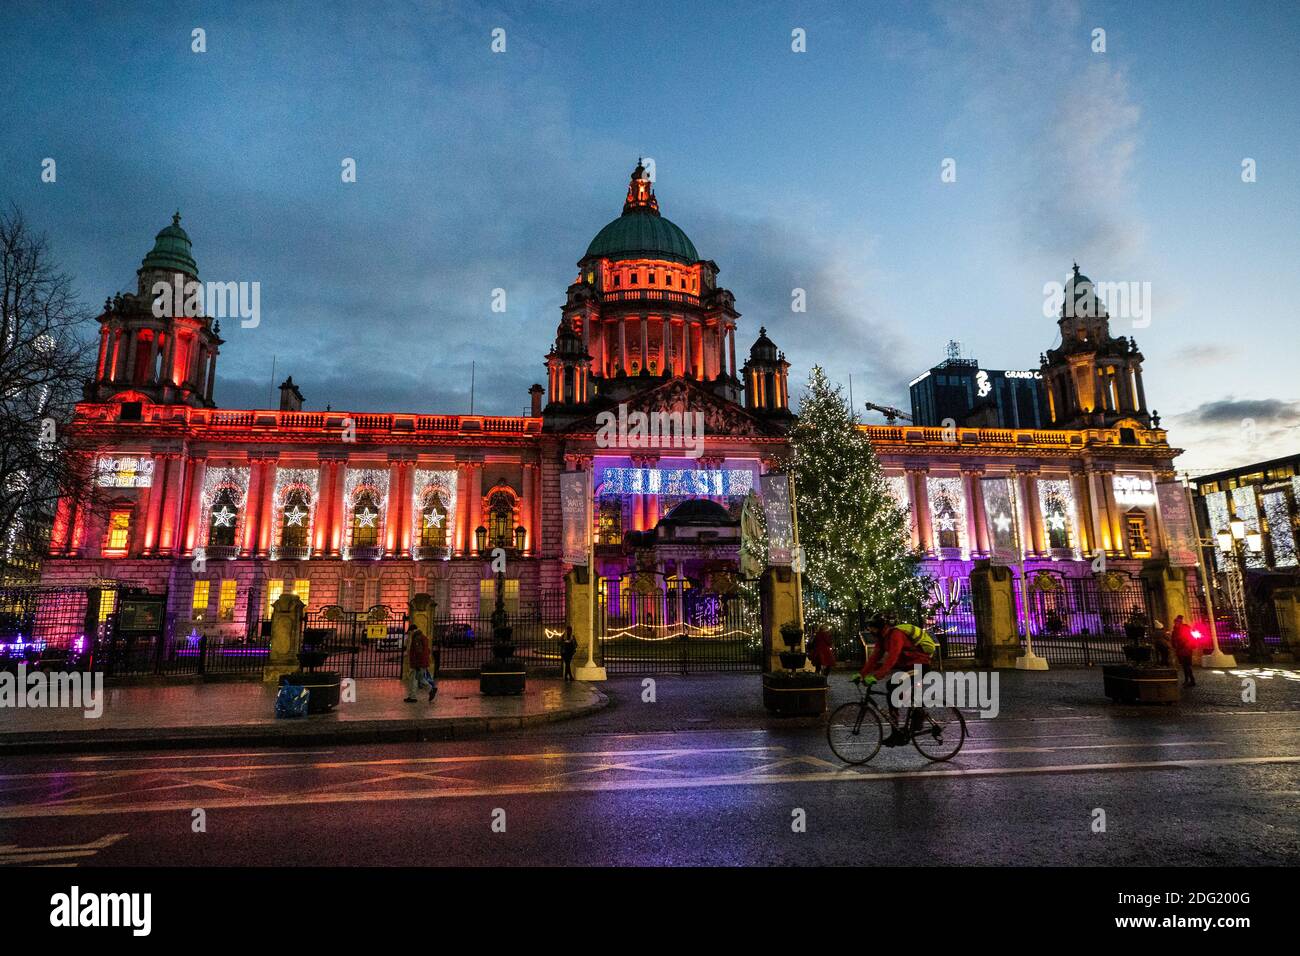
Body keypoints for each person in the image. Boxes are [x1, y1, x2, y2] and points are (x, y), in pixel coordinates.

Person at [854, 614, 933, 746]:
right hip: (909, 665)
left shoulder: (895, 634)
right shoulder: (882, 639)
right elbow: (874, 658)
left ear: (879, 628)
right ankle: (896, 731)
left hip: (920, 664)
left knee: (892, 686)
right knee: (893, 689)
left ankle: (918, 714)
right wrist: (861, 674)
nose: (870, 631)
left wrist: (876, 676)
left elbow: (892, 659)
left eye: (872, 628)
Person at [404, 625, 437, 702]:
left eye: (410, 632)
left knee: (415, 679)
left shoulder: (416, 638)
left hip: (418, 663)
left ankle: (429, 690)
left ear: (412, 631)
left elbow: (418, 652)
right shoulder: (423, 637)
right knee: (418, 678)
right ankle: (413, 696)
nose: (409, 634)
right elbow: (427, 650)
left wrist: (417, 664)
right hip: (422, 662)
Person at [1170, 615, 1197, 688]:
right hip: (1182, 650)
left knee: (1186, 666)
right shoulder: (1176, 630)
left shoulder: (1184, 629)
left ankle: (1190, 680)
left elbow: (1186, 639)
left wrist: (1180, 644)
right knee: (1185, 666)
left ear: (1180, 622)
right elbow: (1173, 640)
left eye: (1177, 622)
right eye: (1175, 622)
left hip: (1185, 650)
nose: (1175, 624)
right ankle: (1189, 680)